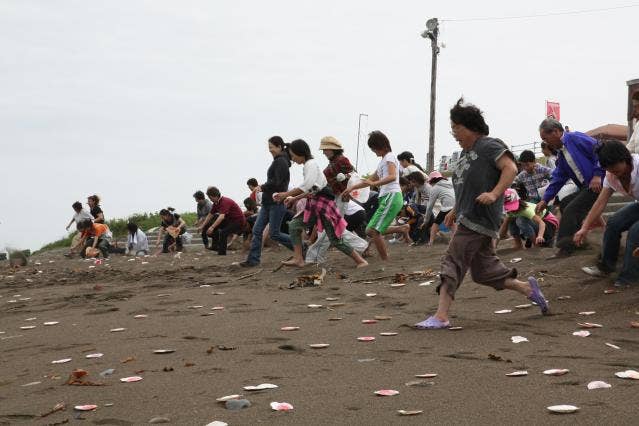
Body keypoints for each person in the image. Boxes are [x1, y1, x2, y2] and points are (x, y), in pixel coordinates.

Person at [415, 98, 548, 329]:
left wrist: (495, 194)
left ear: (472, 127)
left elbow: (510, 168)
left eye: (457, 128)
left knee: (452, 261)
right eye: (452, 129)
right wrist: (455, 210)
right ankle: (528, 289)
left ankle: (441, 316)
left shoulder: (488, 145)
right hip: (470, 215)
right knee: (484, 272)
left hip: (479, 218)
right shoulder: (465, 154)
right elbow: (466, 186)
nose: (454, 133)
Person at [273, 139, 368, 268]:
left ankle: (361, 259)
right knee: (295, 226)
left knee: (334, 238)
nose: (293, 159)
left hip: (325, 206)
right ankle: (299, 258)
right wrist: (294, 198)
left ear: (300, 153)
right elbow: (313, 189)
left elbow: (307, 186)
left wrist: (285, 195)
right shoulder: (315, 165)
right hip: (318, 205)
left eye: (294, 156)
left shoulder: (313, 165)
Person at [535, 118, 604, 259]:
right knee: (566, 203)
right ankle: (579, 241)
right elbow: (558, 178)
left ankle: (565, 247)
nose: (545, 142)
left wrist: (598, 175)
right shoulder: (562, 154)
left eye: (545, 138)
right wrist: (545, 199)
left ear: (555, 132)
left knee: (572, 209)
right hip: (586, 187)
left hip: (599, 184)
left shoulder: (575, 138)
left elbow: (600, 149)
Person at [575, 140, 639, 288]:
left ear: (625, 158)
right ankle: (606, 267)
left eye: (614, 166)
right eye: (608, 168)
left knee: (636, 231)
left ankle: (630, 277)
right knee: (613, 222)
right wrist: (584, 228)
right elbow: (600, 202)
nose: (612, 171)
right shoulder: (611, 176)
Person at [343, 131, 411, 260]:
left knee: (375, 231)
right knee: (369, 230)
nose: (374, 151)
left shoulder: (390, 157)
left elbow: (391, 177)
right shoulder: (382, 162)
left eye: (374, 148)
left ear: (381, 146)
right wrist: (352, 187)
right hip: (386, 197)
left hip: (391, 196)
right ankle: (402, 228)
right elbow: (368, 180)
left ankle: (385, 259)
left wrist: (374, 183)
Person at [304, 137, 368, 264]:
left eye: (325, 149)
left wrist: (345, 179)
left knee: (332, 229)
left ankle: (314, 256)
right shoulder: (333, 162)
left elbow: (354, 176)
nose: (324, 152)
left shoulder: (342, 160)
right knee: (335, 228)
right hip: (335, 198)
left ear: (333, 149)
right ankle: (362, 246)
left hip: (341, 197)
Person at [241, 136, 293, 267]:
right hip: (267, 203)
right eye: (269, 147)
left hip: (276, 203)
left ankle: (301, 247)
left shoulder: (281, 161)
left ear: (280, 147)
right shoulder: (278, 161)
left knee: (274, 234)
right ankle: (253, 260)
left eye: (272, 147)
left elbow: (277, 182)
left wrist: (262, 186)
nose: (270, 150)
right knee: (257, 230)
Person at [198, 187, 246, 256]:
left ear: (214, 196)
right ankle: (215, 246)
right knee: (213, 224)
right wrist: (202, 226)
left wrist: (212, 227)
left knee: (223, 232)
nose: (210, 200)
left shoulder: (224, 201)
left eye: (210, 197)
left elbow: (221, 217)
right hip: (229, 220)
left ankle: (222, 253)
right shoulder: (216, 203)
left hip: (238, 221)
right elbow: (210, 215)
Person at [424, 171, 456, 246]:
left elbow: (430, 206)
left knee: (435, 224)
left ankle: (431, 242)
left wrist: (426, 220)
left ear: (432, 181)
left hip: (446, 208)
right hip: (456, 206)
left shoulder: (435, 188)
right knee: (453, 224)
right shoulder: (450, 183)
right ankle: (453, 241)